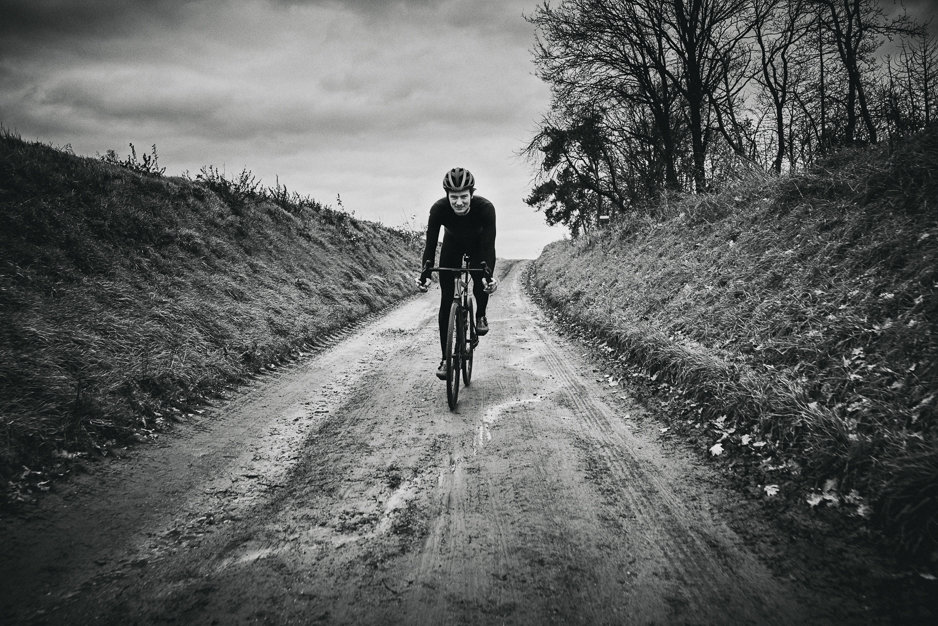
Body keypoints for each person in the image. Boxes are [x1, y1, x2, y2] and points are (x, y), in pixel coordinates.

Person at [416, 167, 498, 380]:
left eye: (463, 197)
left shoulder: (486, 208)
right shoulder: (439, 210)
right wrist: (424, 273)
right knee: (446, 301)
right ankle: (445, 358)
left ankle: (480, 315)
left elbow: (489, 246)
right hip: (452, 246)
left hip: (479, 246)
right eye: (454, 197)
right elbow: (431, 243)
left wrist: (488, 276)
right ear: (447, 196)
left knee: (481, 278)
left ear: (471, 194)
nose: (459, 202)